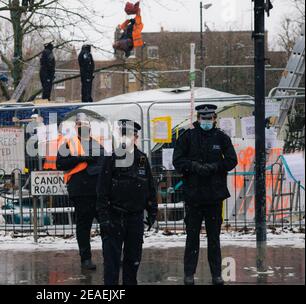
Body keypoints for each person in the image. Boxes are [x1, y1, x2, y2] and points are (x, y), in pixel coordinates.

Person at [172, 104, 238, 285]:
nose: (206, 121)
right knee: (192, 238)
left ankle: (216, 274)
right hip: (193, 195)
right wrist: (193, 166)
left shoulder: (221, 138)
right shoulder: (187, 137)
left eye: (209, 118)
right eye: (203, 118)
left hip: (214, 195)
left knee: (214, 238)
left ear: (214, 118)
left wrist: (214, 167)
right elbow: (177, 160)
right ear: (198, 118)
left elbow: (232, 160)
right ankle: (189, 274)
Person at [96, 119, 157, 285]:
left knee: (133, 261)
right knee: (111, 263)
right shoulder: (111, 158)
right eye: (123, 134)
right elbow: (101, 191)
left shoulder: (142, 159)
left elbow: (150, 188)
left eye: (130, 135)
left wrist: (152, 213)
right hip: (114, 216)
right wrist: (104, 218)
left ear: (136, 137)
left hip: (135, 218)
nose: (127, 138)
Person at [56, 113, 104, 270]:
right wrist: (80, 158)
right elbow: (60, 164)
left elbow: (106, 165)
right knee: (84, 227)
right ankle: (86, 259)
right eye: (80, 127)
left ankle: (110, 256)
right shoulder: (68, 145)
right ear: (76, 128)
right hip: (80, 191)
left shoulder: (98, 144)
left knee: (107, 225)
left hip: (98, 191)